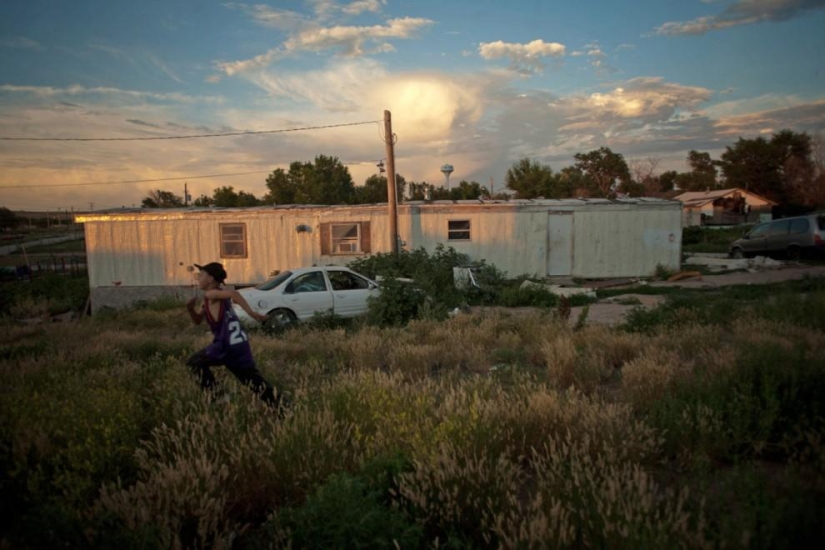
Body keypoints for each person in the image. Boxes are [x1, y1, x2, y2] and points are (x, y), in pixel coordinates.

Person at [186, 262, 280, 409]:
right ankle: (281, 408)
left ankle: (218, 395)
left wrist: (252, 313)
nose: (198, 278)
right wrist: (190, 309)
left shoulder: (211, 294)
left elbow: (234, 293)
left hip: (225, 346)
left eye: (201, 275)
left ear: (210, 279)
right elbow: (198, 320)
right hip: (239, 345)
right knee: (256, 383)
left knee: (194, 362)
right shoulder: (213, 297)